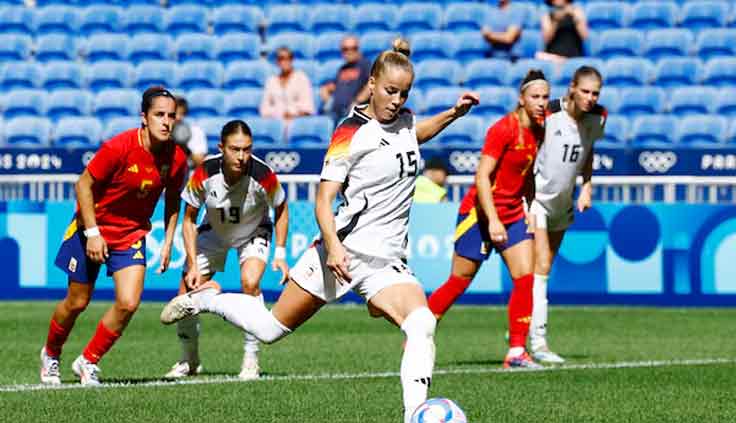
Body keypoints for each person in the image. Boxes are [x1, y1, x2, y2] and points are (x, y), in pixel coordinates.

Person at [161, 38, 478, 422]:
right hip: (340, 252)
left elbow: (413, 135)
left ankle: (415, 414)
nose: (397, 100)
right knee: (269, 329)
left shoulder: (405, 121)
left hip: (385, 261)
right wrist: (334, 246)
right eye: (391, 91)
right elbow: (323, 200)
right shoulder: (350, 132)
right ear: (372, 83)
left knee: (423, 323)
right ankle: (204, 299)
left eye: (404, 93)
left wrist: (453, 115)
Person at [40, 87, 188, 385]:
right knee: (77, 302)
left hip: (130, 234)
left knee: (129, 302)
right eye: (159, 115)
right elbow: (83, 186)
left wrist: (170, 240)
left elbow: (174, 199)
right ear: (143, 117)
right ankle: (51, 355)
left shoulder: (177, 159)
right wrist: (93, 233)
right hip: (89, 228)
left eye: (171, 116)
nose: (166, 122)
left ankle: (87, 361)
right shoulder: (119, 147)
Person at [427, 70, 550, 369]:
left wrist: (530, 209)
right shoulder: (502, 129)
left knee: (525, 279)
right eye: (535, 97)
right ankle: (418, 332)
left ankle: (517, 352)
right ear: (521, 99)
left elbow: (528, 175)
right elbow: (481, 176)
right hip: (479, 213)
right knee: (459, 281)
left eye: (545, 97)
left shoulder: (540, 129)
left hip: (512, 213)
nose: (541, 103)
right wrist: (492, 220)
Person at [164, 120, 290, 381]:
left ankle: (251, 359)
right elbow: (188, 219)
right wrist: (193, 265)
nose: (242, 156)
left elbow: (281, 208)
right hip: (214, 231)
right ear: (222, 148)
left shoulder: (263, 174)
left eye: (247, 149)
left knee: (250, 282)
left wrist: (279, 252)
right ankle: (190, 360)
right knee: (185, 295)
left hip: (254, 232)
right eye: (235, 149)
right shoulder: (204, 173)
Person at [528, 66, 606, 363]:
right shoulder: (548, 113)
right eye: (585, 91)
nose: (590, 97)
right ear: (572, 87)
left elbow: (589, 152)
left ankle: (524, 321)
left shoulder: (598, 118)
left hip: (563, 203)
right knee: (542, 266)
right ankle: (539, 341)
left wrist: (587, 186)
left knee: (542, 269)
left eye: (595, 92)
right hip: (537, 200)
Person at [319, 35, 372, 125]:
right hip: (336, 111)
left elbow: (371, 84)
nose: (350, 52)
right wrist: (326, 89)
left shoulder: (365, 65)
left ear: (358, 49)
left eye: (353, 48)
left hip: (352, 112)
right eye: (346, 49)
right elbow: (336, 85)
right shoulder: (342, 68)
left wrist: (357, 101)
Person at [260, 46, 315, 128]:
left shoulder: (301, 78)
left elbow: (307, 107)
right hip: (276, 124)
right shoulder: (271, 81)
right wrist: (281, 112)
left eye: (288, 58)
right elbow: (264, 109)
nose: (285, 61)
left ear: (292, 60)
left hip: (297, 124)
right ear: (277, 61)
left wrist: (292, 112)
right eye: (281, 58)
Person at [172, 96, 208, 169]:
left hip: (188, 172)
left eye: (181, 113)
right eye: (174, 113)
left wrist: (185, 147)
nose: (178, 117)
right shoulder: (158, 132)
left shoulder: (195, 131)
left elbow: (200, 163)